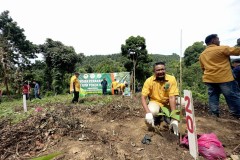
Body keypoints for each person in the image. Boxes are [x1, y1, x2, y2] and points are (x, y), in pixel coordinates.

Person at [199, 34, 240, 118]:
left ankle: (214, 114)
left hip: (210, 79)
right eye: (218, 39)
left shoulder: (202, 54)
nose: (219, 41)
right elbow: (237, 51)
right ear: (213, 40)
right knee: (232, 96)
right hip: (225, 78)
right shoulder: (222, 48)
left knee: (213, 96)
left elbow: (203, 68)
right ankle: (237, 114)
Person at [141, 62, 179, 134]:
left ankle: (173, 121)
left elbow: (172, 97)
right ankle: (155, 122)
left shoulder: (171, 79)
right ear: (154, 71)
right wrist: (148, 113)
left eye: (162, 69)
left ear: (165, 70)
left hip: (168, 102)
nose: (161, 72)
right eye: (158, 70)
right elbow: (143, 97)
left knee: (183, 103)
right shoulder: (149, 81)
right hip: (155, 102)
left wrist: (174, 118)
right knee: (152, 111)